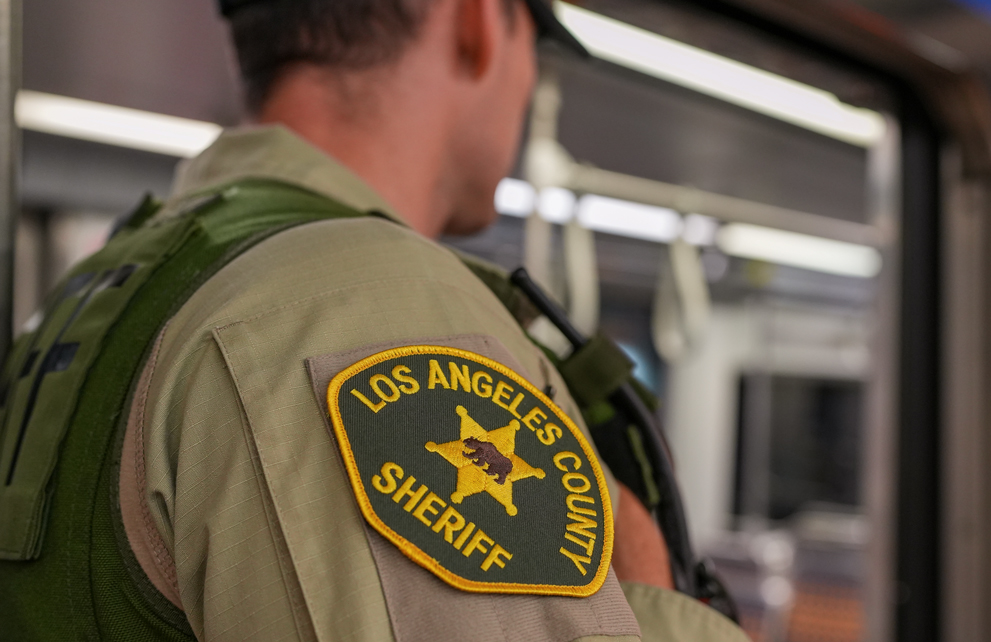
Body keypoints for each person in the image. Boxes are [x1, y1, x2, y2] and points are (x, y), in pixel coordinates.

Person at [0, 0, 749, 640]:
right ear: (477, 23)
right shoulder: (367, 304)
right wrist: (657, 599)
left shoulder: (120, 280)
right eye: (536, 49)